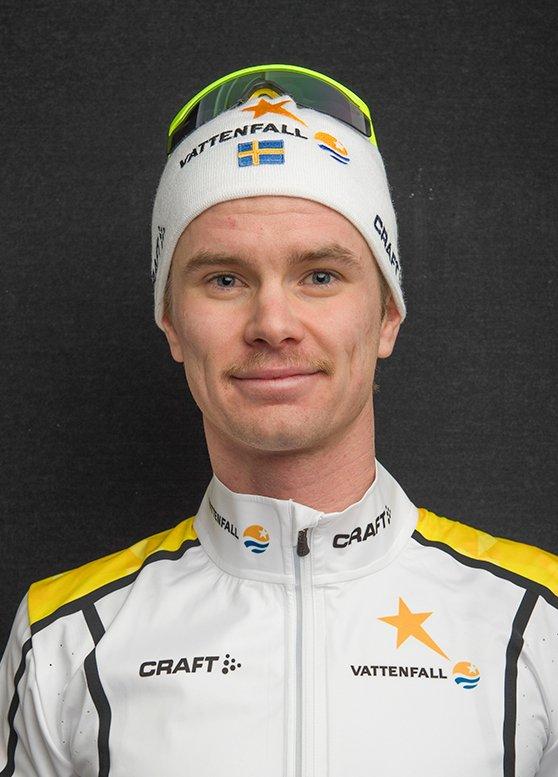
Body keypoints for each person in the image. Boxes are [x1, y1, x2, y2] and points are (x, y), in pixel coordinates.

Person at [0, 64, 556, 777]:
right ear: (171, 322)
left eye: (320, 275)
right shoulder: (64, 637)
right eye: (224, 279)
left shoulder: (537, 620)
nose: (272, 323)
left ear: (388, 314)